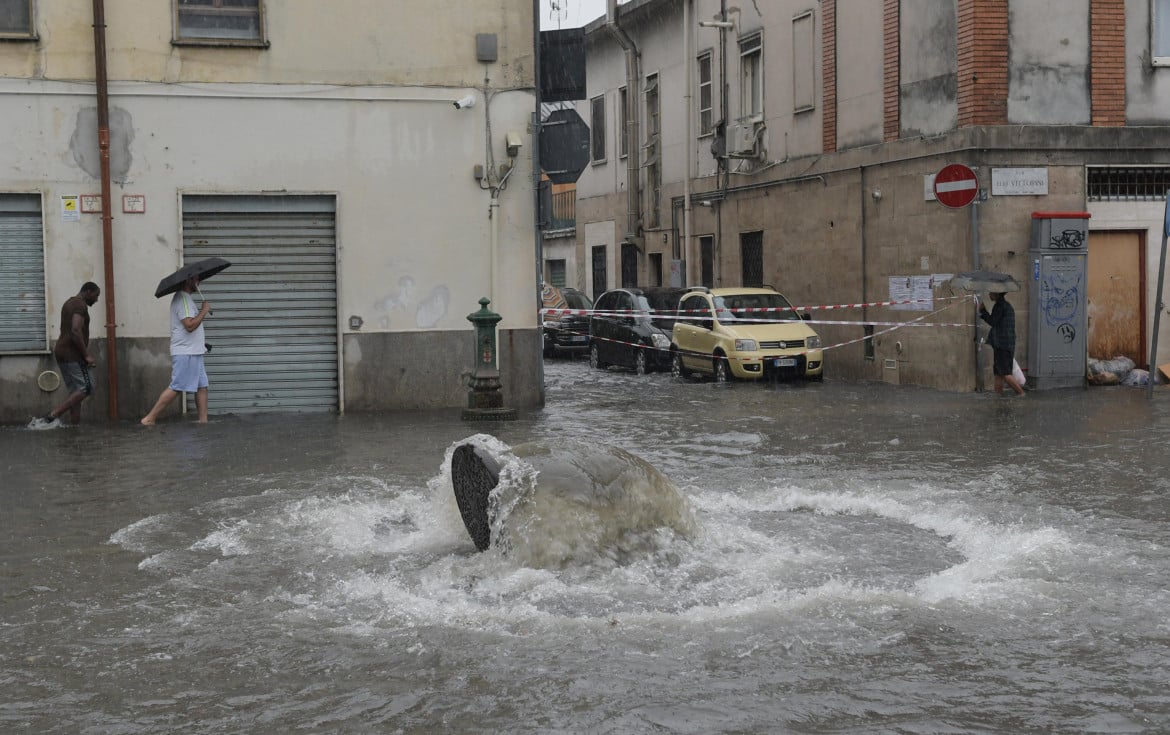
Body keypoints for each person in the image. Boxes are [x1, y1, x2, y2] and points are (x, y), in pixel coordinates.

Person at [28, 282, 101, 429]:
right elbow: (75, 330)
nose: (97, 299)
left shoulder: (69, 302)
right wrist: (86, 355)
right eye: (96, 295)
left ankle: (75, 426)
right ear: (88, 291)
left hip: (62, 351)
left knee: (76, 391)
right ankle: (52, 415)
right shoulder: (80, 305)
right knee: (87, 388)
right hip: (72, 353)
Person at [141, 275, 212, 425]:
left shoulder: (187, 299)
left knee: (202, 386)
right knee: (177, 387)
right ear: (188, 280)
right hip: (186, 352)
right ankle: (150, 418)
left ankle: (203, 421)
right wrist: (204, 311)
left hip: (194, 351)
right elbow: (190, 325)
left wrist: (201, 343)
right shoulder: (182, 299)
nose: (199, 283)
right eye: (197, 280)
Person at [978, 291, 1026, 396]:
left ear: (997, 294)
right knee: (998, 373)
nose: (989, 294)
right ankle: (998, 396)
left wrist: (983, 311)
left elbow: (993, 321)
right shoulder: (1005, 305)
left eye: (991, 293)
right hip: (1003, 344)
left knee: (1005, 373)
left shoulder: (1000, 306)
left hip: (1002, 345)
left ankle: (1021, 394)